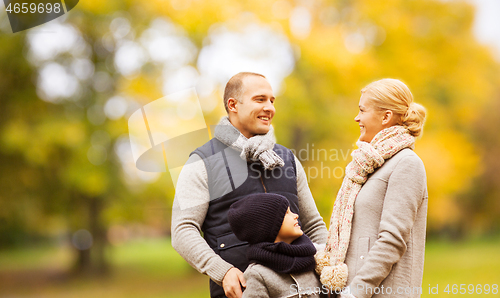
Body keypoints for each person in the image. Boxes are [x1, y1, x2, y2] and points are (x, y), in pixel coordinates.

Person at [171, 72, 328, 298]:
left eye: (272, 101)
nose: (270, 108)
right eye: (260, 99)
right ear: (233, 105)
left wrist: (328, 268)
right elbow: (183, 230)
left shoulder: (288, 159)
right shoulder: (202, 161)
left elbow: (313, 225)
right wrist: (222, 272)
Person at [315, 78, 428, 298]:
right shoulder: (367, 165)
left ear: (385, 117)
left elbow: (392, 239)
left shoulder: (407, 163)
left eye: (362, 110)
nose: (357, 117)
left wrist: (356, 292)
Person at [228, 193, 323, 297]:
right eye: (286, 213)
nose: (295, 215)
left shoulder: (315, 256)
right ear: (267, 227)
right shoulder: (257, 275)